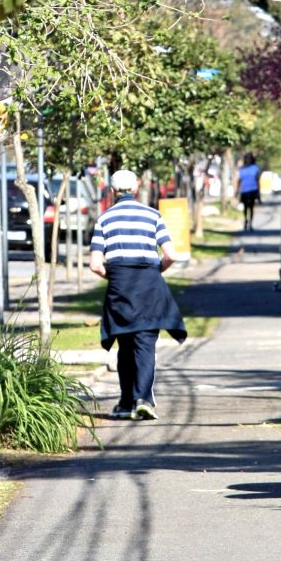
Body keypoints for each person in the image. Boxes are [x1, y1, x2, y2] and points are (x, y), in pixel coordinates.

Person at [89, 169, 186, 421]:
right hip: (149, 288)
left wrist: (115, 277)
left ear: (112, 191)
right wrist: (155, 271)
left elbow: (95, 264)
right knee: (145, 344)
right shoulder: (153, 215)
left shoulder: (104, 219)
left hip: (120, 289)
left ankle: (125, 402)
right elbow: (171, 254)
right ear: (136, 187)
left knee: (125, 345)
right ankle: (143, 399)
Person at [235, 152, 261, 232]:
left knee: (247, 207)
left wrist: (237, 191)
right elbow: (257, 181)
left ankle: (247, 221)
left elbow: (239, 181)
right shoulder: (255, 168)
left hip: (246, 190)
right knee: (250, 208)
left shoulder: (242, 169)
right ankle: (249, 223)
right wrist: (258, 194)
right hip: (251, 190)